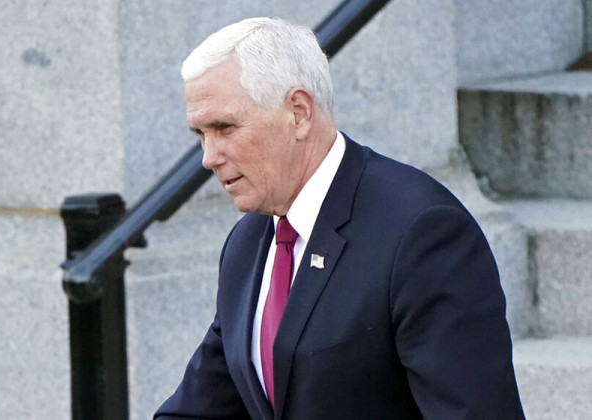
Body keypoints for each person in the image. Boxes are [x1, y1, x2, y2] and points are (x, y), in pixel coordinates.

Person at [155, 17, 524, 419]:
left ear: (298, 112)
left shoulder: (421, 232)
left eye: (224, 128)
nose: (209, 157)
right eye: (200, 135)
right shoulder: (247, 243)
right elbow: (202, 406)